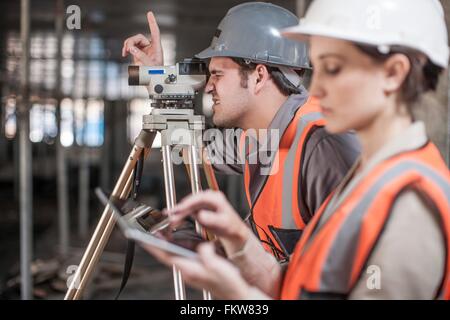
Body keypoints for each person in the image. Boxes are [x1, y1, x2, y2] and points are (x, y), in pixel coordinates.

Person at [143, 0, 450, 299]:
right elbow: (315, 284)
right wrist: (241, 245)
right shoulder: (368, 172)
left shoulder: (406, 205)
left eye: (333, 68)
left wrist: (238, 295)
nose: (314, 90)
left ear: (393, 73)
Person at [122, 2, 360, 260]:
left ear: (259, 76)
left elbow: (353, 273)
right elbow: (192, 144)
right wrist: (159, 82)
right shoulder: (256, 136)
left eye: (217, 75)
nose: (208, 87)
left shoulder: (324, 145)